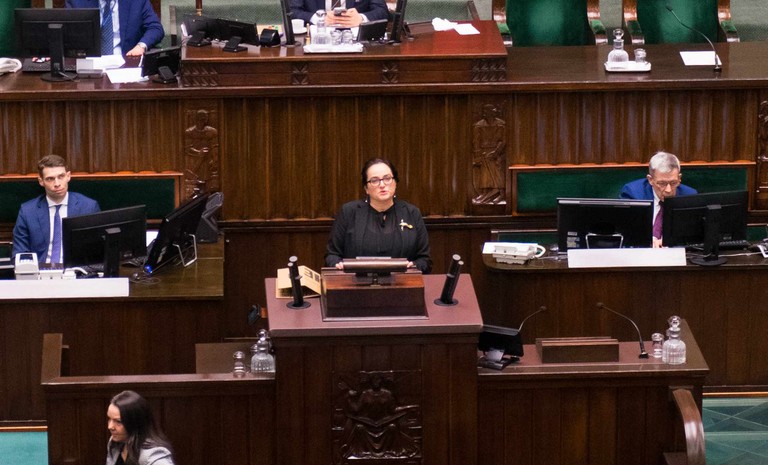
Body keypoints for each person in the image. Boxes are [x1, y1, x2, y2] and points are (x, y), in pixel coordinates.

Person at [326, 158, 432, 273]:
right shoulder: (348, 212)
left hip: (402, 282)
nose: (382, 185)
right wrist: (338, 266)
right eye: (374, 180)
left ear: (395, 182)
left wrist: (414, 266)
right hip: (356, 282)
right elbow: (332, 255)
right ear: (366, 188)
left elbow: (425, 260)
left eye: (387, 178)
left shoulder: (411, 213)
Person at [12, 155, 100, 263]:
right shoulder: (28, 211)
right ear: (41, 181)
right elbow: (20, 253)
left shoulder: (88, 207)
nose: (57, 184)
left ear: (68, 176)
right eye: (50, 179)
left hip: (76, 270)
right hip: (40, 270)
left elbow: (97, 250)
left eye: (61, 176)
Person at [620, 151, 697, 247]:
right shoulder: (633, 194)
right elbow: (625, 232)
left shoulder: (689, 196)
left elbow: (691, 235)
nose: (668, 190)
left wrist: (670, 241)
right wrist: (649, 240)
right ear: (650, 180)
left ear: (679, 178)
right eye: (662, 183)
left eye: (673, 183)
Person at [66, 0, 164, 56]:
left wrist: (141, 46)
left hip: (127, 64)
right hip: (90, 68)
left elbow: (155, 28)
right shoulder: (77, 2)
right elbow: (66, 36)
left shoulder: (136, 2)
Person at [106, 390, 175, 465]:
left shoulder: (154, 454)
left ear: (135, 422)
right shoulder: (115, 443)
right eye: (109, 419)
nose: (110, 427)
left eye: (118, 421)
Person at [290, 0, 388, 28]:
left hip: (356, 39)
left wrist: (361, 18)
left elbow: (382, 10)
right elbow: (292, 11)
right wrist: (318, 19)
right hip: (316, 38)